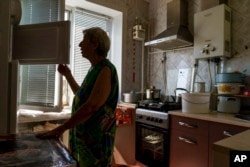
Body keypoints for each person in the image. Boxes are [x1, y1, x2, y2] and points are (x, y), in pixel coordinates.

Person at [38, 27, 119, 167]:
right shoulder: (94, 68)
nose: (80, 45)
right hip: (85, 139)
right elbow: (82, 96)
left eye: (83, 41)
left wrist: (62, 128)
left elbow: (91, 106)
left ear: (95, 45)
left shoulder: (105, 69)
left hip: (96, 143)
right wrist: (68, 75)